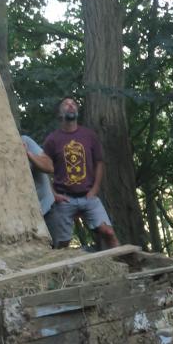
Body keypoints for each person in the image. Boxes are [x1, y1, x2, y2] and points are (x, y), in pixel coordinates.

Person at [42, 98, 119, 251]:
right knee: (61, 245)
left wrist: (95, 189)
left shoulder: (89, 135)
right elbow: (43, 168)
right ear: (60, 113)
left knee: (109, 233)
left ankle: (125, 261)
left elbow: (99, 162)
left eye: (73, 104)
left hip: (88, 196)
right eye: (66, 104)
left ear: (77, 110)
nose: (70, 106)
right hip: (65, 199)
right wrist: (53, 194)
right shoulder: (52, 140)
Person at [21, 133, 55, 232]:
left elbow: (49, 166)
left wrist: (28, 154)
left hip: (48, 210)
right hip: (28, 218)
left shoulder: (24, 141)